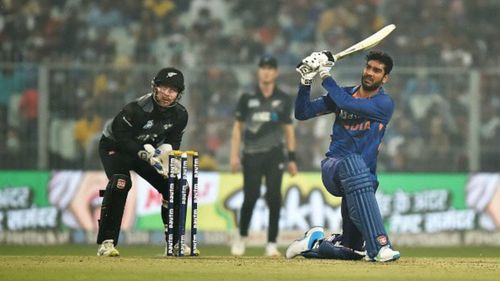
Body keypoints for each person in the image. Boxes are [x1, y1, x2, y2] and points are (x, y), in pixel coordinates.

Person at [286, 50, 400, 262]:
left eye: (377, 71)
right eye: (368, 68)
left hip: (363, 183)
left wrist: (325, 74)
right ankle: (380, 246)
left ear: (385, 78)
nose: (370, 73)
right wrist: (306, 80)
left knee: (352, 250)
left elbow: (348, 105)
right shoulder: (343, 94)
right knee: (353, 163)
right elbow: (302, 113)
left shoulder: (384, 104)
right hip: (335, 167)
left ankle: (314, 243)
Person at [96, 67, 189, 257]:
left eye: (172, 91)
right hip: (115, 148)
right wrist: (143, 153)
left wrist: (166, 155)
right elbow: (121, 138)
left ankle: (175, 243)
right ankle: (107, 243)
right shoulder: (136, 109)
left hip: (145, 152)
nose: (166, 94)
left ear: (178, 94)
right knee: (121, 183)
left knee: (176, 187)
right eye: (163, 88)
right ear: (155, 87)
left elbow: (173, 141)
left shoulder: (180, 115)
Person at [230, 55, 298, 257]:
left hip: (275, 155)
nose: (266, 71)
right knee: (250, 197)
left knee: (274, 198)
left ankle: (271, 244)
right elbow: (237, 129)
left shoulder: (283, 98)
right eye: (263, 68)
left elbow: (289, 131)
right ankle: (241, 237)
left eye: (270, 68)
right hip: (251, 155)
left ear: (276, 72)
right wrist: (234, 155)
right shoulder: (247, 97)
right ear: (258, 71)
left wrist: (292, 159)